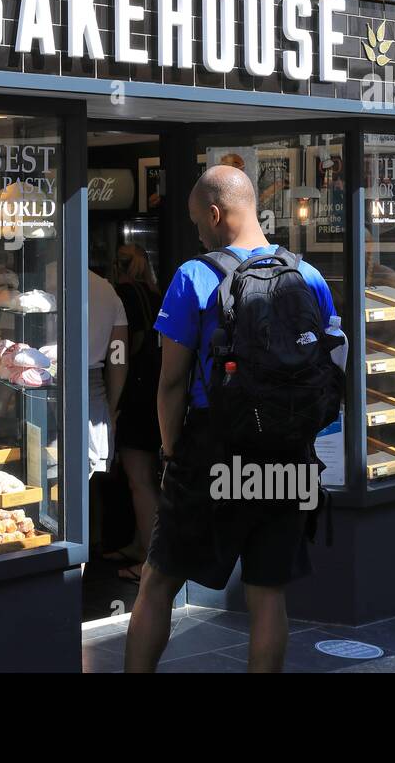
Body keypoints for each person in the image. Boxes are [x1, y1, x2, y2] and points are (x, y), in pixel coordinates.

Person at [125, 165, 338, 673]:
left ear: (216, 214)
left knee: (158, 582)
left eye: (198, 220)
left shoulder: (193, 276)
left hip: (211, 449)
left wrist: (173, 451)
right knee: (268, 595)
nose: (197, 231)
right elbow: (331, 365)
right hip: (288, 454)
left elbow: (171, 382)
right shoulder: (307, 275)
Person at [103, 244, 163, 582]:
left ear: (119, 266)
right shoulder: (154, 294)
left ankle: (149, 558)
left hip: (135, 394)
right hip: (154, 393)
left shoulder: (124, 294)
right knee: (144, 476)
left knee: (139, 478)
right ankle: (140, 543)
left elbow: (123, 348)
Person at [87, 268, 128, 478]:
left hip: (38, 388)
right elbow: (118, 358)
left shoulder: (33, 283)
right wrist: (110, 408)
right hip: (93, 396)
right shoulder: (106, 290)